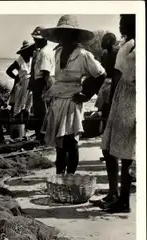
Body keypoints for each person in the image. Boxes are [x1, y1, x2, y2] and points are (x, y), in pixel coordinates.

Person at [40, 15, 106, 175]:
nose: (64, 37)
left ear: (74, 35)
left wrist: (87, 95)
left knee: (71, 141)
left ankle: (70, 177)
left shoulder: (83, 54)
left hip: (73, 100)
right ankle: (60, 175)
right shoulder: (57, 53)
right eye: (61, 33)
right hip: (57, 100)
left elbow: (101, 74)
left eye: (67, 33)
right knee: (59, 143)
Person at [99, 14, 136, 214]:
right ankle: (117, 196)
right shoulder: (127, 45)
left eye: (123, 22)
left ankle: (123, 201)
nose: (120, 25)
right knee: (110, 149)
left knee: (126, 153)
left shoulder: (134, 47)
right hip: (120, 99)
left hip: (131, 100)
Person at [30, 26, 55, 143]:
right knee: (41, 110)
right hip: (42, 83)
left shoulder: (44, 53)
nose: (34, 42)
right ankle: (42, 134)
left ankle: (43, 136)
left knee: (41, 111)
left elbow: (46, 72)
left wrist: (45, 90)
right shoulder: (45, 51)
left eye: (36, 40)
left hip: (42, 84)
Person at [6, 41, 35, 138]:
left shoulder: (32, 59)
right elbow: (8, 71)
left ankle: (24, 128)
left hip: (29, 85)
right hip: (21, 85)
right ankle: (16, 128)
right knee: (18, 107)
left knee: (27, 107)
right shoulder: (19, 61)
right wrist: (16, 77)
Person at [96, 33, 119, 132]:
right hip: (108, 81)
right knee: (104, 106)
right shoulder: (106, 53)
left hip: (114, 81)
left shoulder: (116, 52)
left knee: (108, 105)